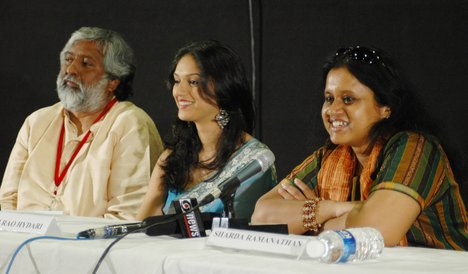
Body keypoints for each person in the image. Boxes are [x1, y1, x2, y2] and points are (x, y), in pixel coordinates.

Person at [252, 45, 468, 250]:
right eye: (329, 99)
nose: (333, 110)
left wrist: (310, 224)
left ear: (386, 108)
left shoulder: (416, 149)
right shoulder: (329, 158)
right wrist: (331, 208)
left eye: (348, 99)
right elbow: (261, 217)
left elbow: (376, 229)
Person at [0, 27, 163, 220]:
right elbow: (8, 201)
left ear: (113, 81)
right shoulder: (37, 121)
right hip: (22, 245)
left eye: (86, 64)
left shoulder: (131, 124)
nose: (71, 70)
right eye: (68, 60)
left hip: (90, 247)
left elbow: (126, 215)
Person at [137, 40, 277, 220]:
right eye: (177, 81)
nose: (179, 91)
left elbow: (244, 232)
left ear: (223, 87)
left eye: (193, 82)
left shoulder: (253, 161)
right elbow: (142, 223)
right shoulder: (172, 156)